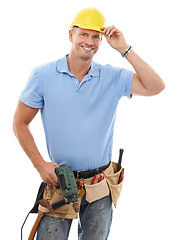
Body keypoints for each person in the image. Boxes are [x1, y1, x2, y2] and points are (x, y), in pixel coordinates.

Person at [13, 7, 165, 240]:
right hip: (60, 184)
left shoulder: (112, 77)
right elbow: (20, 123)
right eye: (84, 34)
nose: (90, 41)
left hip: (99, 186)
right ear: (71, 35)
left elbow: (156, 86)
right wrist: (40, 165)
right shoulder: (43, 75)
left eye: (96, 36)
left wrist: (125, 49)